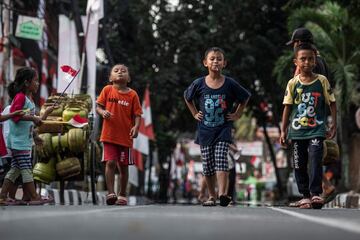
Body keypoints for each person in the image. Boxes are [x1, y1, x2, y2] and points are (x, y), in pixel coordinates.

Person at [184, 47, 251, 207]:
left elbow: (245, 97)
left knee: (221, 159)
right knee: (207, 165)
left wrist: (237, 114)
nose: (215, 61)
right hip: (205, 130)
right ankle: (212, 196)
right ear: (205, 63)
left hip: (223, 129)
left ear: (224, 63)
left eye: (219, 59)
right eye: (212, 58)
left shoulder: (229, 83)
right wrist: (194, 113)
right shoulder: (199, 83)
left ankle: (222, 194)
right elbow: (187, 97)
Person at [280, 43, 337, 209]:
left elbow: (332, 103)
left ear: (315, 61)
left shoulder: (322, 81)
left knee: (315, 159)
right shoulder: (292, 83)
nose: (306, 62)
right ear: (295, 61)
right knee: (299, 163)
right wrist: (283, 130)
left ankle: (316, 194)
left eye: (310, 59)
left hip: (317, 129)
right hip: (297, 132)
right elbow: (287, 107)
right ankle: (304, 196)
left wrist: (333, 124)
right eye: (302, 59)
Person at [0, 67, 54, 206]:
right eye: (35, 81)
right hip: (19, 142)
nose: (37, 84)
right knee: (26, 170)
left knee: (15, 170)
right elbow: (15, 117)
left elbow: (37, 121)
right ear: (26, 82)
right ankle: (35, 196)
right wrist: (33, 119)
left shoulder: (27, 99)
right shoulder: (20, 97)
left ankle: (2, 196)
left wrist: (46, 113)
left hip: (23, 141)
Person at [96, 63, 142, 205]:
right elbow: (98, 106)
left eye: (123, 71)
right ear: (111, 77)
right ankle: (111, 193)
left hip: (125, 137)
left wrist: (136, 127)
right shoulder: (107, 90)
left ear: (128, 78)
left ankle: (122, 194)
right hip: (109, 135)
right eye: (116, 71)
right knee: (110, 163)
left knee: (123, 166)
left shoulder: (133, 94)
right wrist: (102, 112)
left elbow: (138, 114)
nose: (120, 72)